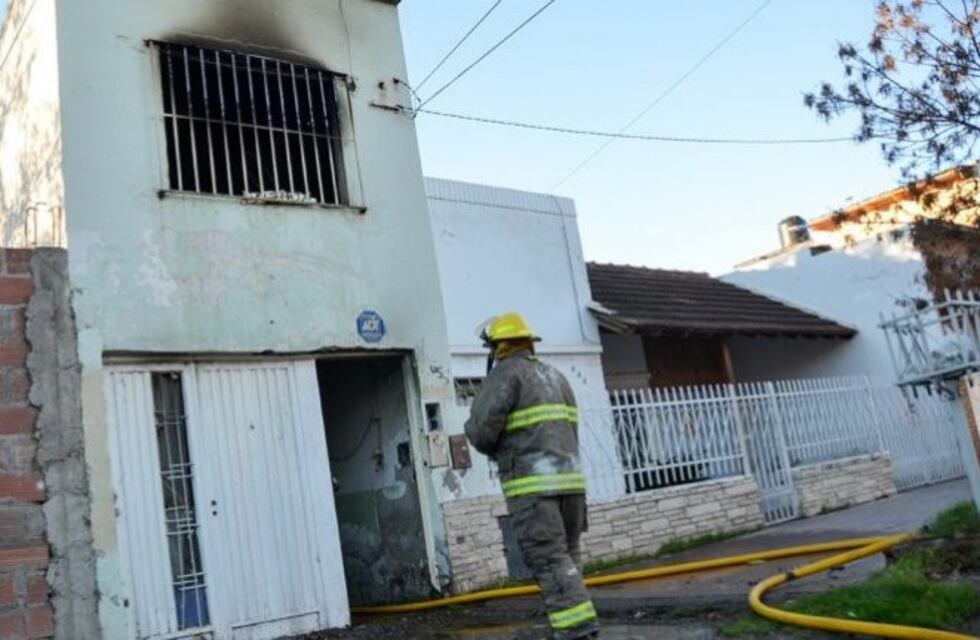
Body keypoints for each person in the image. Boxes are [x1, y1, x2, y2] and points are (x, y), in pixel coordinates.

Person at [465, 312, 599, 640]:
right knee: (567, 558)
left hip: (535, 491)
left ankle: (577, 631)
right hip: (572, 488)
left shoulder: (506, 376)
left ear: (497, 347)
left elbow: (482, 434)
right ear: (528, 342)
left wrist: (473, 419)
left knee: (550, 561)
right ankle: (575, 624)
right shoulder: (556, 377)